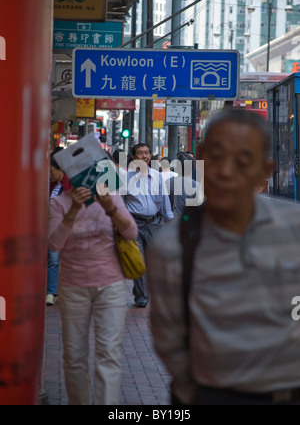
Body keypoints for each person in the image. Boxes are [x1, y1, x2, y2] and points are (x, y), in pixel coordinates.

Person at [147, 108, 300, 405]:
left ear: (265, 171)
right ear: (200, 156)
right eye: (215, 157)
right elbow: (169, 338)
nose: (225, 171)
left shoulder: (294, 227)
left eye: (243, 162)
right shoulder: (172, 247)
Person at [47, 184, 138, 405]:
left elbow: (131, 232)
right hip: (73, 286)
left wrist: (111, 209)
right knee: (74, 357)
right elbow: (54, 244)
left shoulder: (111, 198)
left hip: (111, 285)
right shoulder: (58, 203)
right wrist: (73, 210)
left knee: (108, 354)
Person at [124, 143, 174, 308]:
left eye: (147, 153)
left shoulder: (157, 176)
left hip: (154, 223)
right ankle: (141, 297)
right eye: (140, 153)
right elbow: (121, 204)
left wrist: (171, 222)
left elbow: (165, 201)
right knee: (139, 262)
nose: (144, 156)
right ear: (133, 157)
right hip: (134, 224)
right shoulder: (126, 178)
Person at [46, 153, 71, 306]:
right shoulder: (51, 184)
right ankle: (51, 292)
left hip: (69, 227)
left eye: (51, 171)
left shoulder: (72, 183)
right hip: (53, 228)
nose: (49, 175)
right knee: (53, 260)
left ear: (60, 169)